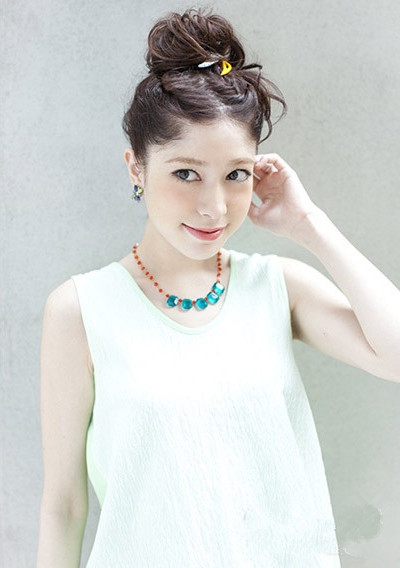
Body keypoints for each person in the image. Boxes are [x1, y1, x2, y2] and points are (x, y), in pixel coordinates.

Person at [37, 8, 400, 568]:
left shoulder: (277, 287)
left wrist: (309, 225)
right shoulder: (81, 310)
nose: (214, 207)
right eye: (186, 173)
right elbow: (63, 506)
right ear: (136, 168)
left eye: (235, 175)